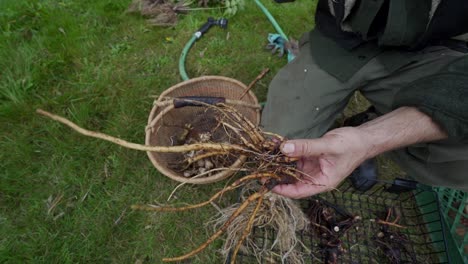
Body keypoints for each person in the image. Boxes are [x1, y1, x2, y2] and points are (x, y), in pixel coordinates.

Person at [261, 0, 468, 198]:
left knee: (461, 161)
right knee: (276, 147)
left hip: (430, 52)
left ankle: (368, 124)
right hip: (340, 41)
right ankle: (362, 132)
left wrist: (369, 140)